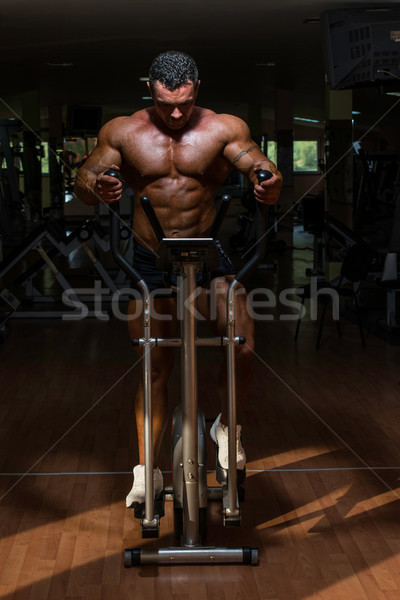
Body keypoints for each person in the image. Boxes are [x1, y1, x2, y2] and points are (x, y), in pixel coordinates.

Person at [74, 50, 282, 510]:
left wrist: (268, 181)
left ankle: (227, 428)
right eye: (166, 102)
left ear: (197, 89)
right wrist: (97, 187)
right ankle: (147, 469)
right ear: (150, 88)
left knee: (242, 342)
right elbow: (85, 177)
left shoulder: (223, 128)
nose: (174, 113)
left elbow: (258, 164)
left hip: (206, 255)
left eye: (184, 103)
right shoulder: (123, 131)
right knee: (153, 365)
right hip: (149, 260)